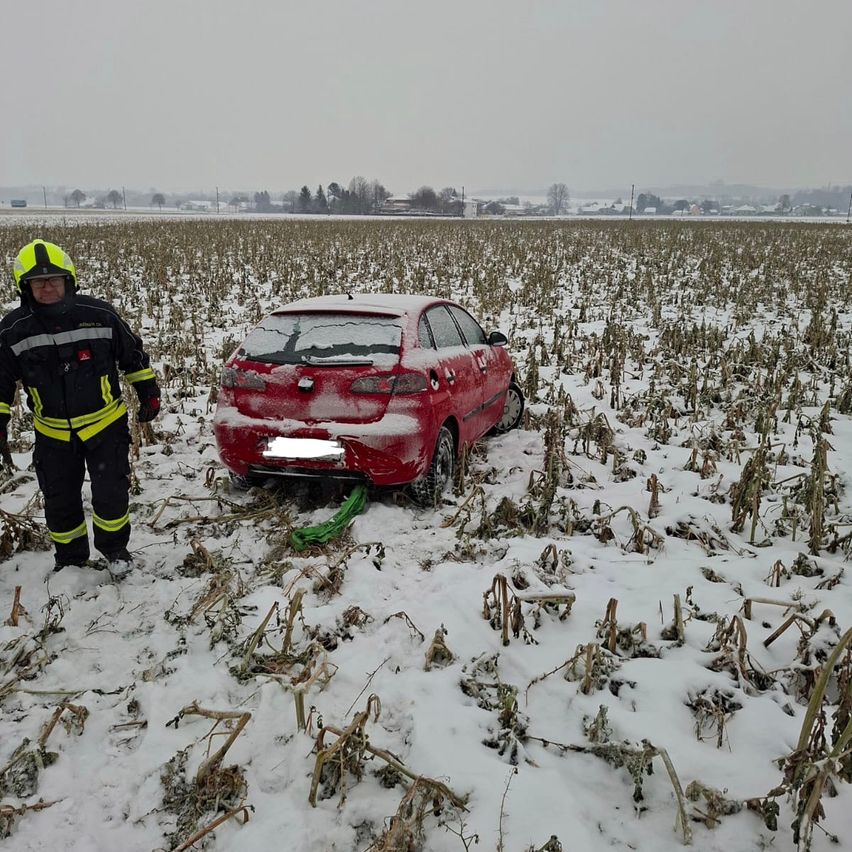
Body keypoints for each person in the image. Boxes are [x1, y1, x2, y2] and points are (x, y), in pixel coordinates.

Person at [0, 239, 160, 574]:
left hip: (106, 425)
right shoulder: (12, 331)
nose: (47, 287)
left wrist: (148, 392)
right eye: (38, 282)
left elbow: (132, 355)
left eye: (54, 279)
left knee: (111, 495)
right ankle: (70, 560)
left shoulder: (99, 315)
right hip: (52, 433)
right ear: (25, 287)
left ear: (69, 280)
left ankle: (115, 552)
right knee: (59, 501)